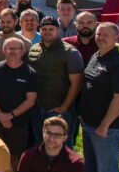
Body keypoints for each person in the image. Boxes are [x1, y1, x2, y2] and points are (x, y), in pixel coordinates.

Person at [80, 22, 119, 172]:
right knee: (92, 165)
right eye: (99, 34)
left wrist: (105, 125)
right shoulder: (96, 56)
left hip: (107, 128)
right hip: (89, 123)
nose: (101, 37)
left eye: (106, 35)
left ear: (116, 37)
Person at [28, 17, 83, 148]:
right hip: (36, 108)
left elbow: (77, 83)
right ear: (39, 30)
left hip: (59, 110)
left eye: (51, 29)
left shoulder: (71, 52)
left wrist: (64, 106)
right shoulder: (33, 49)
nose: (47, 32)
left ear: (58, 30)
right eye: (44, 29)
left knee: (62, 148)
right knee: (39, 145)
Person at [0, 37, 38, 172]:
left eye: (17, 48)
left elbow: (31, 100)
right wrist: (0, 115)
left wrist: (10, 115)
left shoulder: (30, 72)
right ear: (4, 50)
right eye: (10, 48)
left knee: (15, 157)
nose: (13, 51)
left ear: (23, 51)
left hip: (18, 122)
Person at [0, 8, 32, 79]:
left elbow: (29, 69)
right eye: (2, 22)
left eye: (8, 22)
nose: (5, 25)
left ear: (16, 21)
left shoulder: (26, 43)